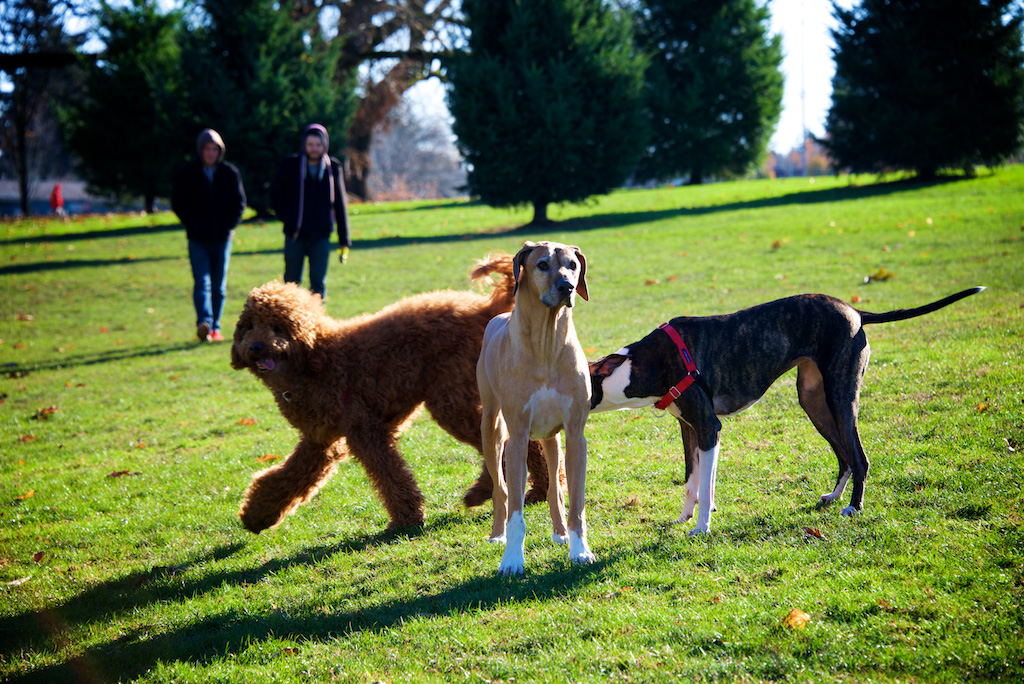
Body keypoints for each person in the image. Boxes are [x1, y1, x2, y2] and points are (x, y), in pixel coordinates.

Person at [172, 128, 246, 342]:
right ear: (200, 150)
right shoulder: (188, 173)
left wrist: (228, 226)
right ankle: (203, 322)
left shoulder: (229, 173)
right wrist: (192, 224)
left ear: (219, 151)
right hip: (197, 239)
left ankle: (215, 327)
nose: (210, 153)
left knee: (218, 285)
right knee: (201, 282)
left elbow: (239, 203)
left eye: (214, 149)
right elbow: (178, 203)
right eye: (207, 149)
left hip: (222, 239)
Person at [269, 123, 351, 300]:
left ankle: (316, 323)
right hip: (295, 235)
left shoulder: (333, 168)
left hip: (320, 236)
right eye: (311, 144)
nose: (314, 149)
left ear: (324, 146)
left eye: (318, 145)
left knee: (318, 284)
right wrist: (288, 218)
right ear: (304, 145)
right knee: (291, 284)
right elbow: (275, 196)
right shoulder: (290, 165)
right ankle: (289, 323)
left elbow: (340, 205)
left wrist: (344, 238)